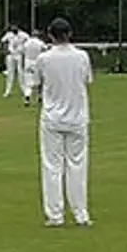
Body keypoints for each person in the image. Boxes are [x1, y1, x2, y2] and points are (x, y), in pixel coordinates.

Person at [35, 18, 93, 227]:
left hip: (52, 118)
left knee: (52, 166)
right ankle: (81, 214)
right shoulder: (82, 56)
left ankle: (55, 215)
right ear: (70, 33)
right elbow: (86, 81)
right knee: (77, 166)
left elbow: (37, 85)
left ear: (50, 35)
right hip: (77, 118)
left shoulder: (44, 58)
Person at [19, 27, 49, 107]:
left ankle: (27, 98)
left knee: (28, 82)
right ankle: (40, 97)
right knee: (40, 80)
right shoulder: (40, 42)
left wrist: (22, 63)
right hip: (37, 62)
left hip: (28, 62)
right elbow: (45, 50)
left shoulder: (26, 43)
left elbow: (22, 52)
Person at [2, 25, 25, 97]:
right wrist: (5, 50)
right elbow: (3, 41)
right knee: (10, 73)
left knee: (20, 72)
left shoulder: (23, 35)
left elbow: (28, 41)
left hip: (19, 54)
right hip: (11, 54)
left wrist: (24, 50)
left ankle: (24, 90)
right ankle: (8, 91)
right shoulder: (9, 34)